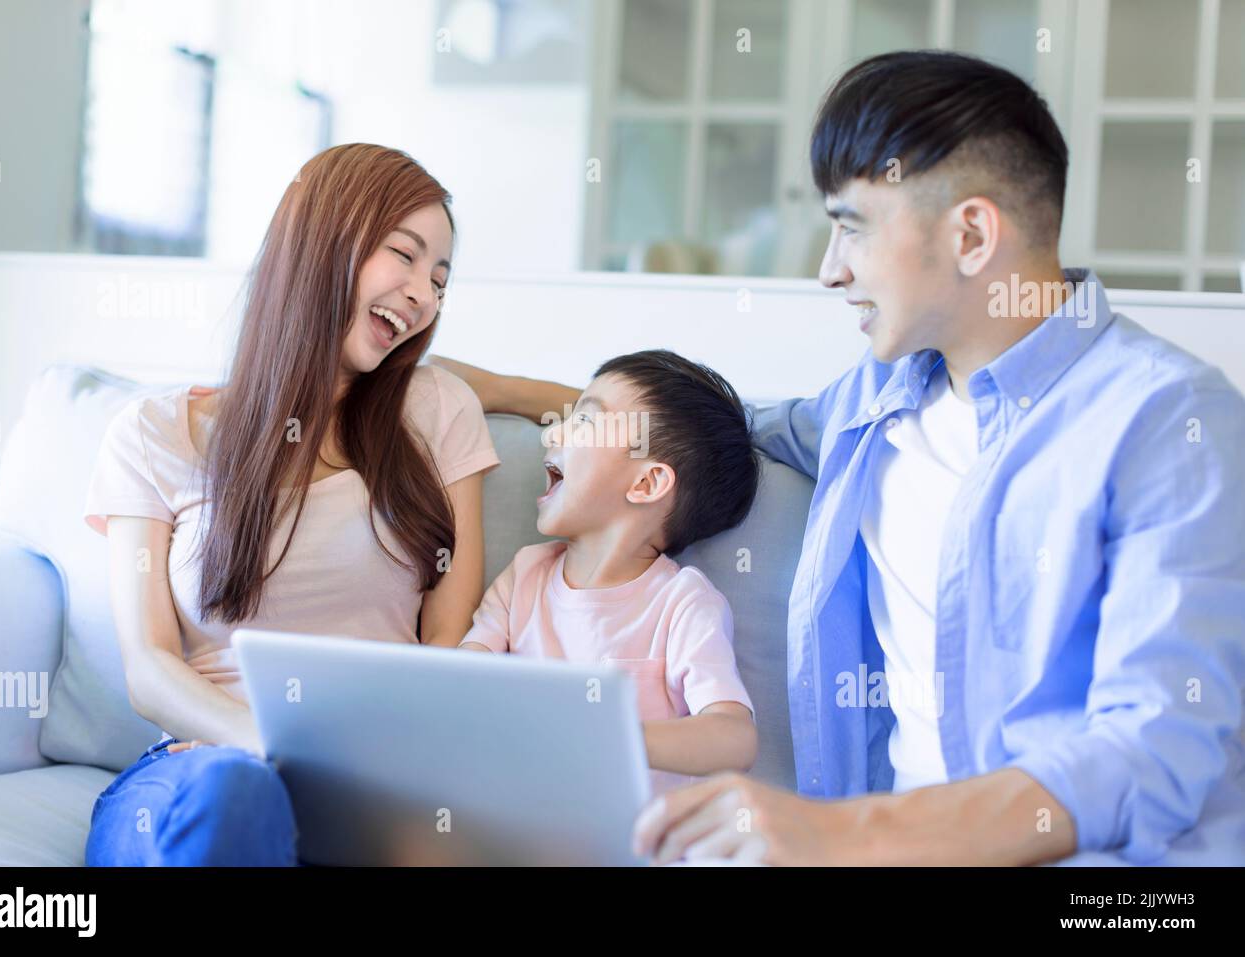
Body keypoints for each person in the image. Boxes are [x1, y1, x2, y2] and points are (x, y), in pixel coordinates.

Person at [432, 50, 1245, 866]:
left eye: (851, 226)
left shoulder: (1170, 421)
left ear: (971, 233)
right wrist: (489, 386)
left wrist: (839, 833)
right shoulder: (871, 404)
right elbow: (697, 428)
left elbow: (1153, 752)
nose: (829, 270)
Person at [81, 144, 500, 865]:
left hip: (369, 783)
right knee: (236, 798)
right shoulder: (152, 433)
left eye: (439, 279)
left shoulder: (437, 412)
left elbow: (447, 649)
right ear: (322, 239)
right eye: (404, 254)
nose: (423, 295)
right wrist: (269, 745)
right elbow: (149, 665)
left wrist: (364, 772)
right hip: (200, 771)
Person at [459, 350, 760, 795]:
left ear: (645, 484)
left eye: (583, 421)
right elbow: (461, 679)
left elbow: (734, 737)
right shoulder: (525, 575)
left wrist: (613, 737)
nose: (552, 433)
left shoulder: (682, 603)